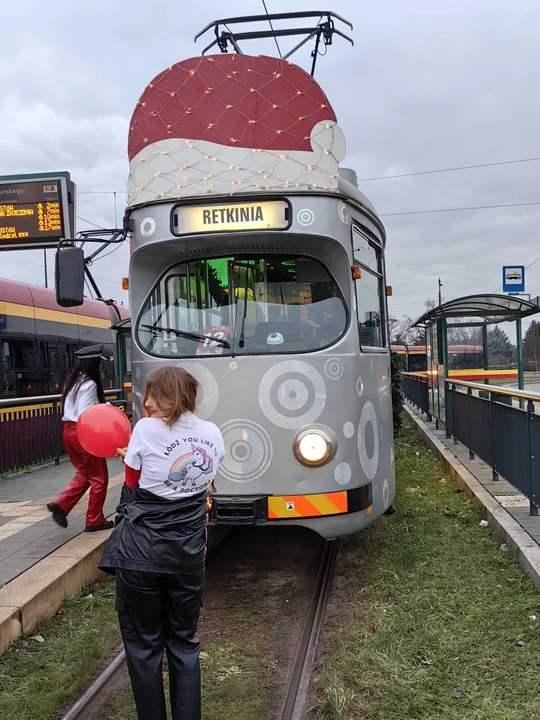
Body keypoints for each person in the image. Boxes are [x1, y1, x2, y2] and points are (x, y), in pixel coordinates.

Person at [99, 366, 225, 720]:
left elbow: (134, 483)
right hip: (187, 556)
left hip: (140, 555)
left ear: (176, 397)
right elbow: (204, 479)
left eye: (156, 395)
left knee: (143, 647)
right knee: (184, 642)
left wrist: (131, 457)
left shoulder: (144, 428)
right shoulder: (213, 433)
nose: (149, 403)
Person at [47, 344, 113, 532]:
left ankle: (61, 505)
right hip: (83, 433)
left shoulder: (73, 382)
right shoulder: (90, 384)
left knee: (86, 473)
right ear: (93, 364)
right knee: (99, 479)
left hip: (68, 432)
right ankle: (94, 520)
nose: (100, 368)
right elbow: (85, 413)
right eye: (99, 364)